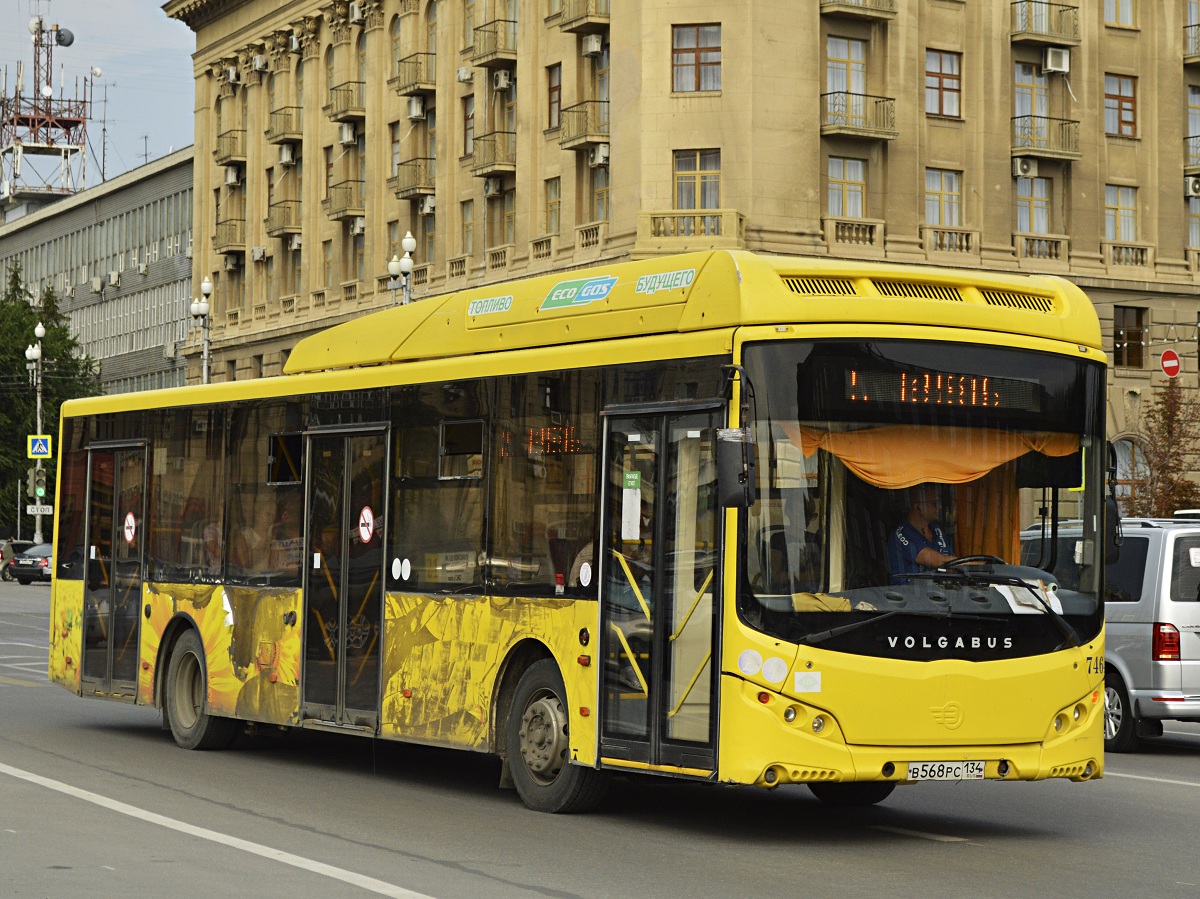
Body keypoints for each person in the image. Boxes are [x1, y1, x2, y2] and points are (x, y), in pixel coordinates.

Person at [888, 484, 956, 584]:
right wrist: (974, 564)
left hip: (937, 594)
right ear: (918, 507)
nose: (940, 506)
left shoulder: (936, 529)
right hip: (907, 596)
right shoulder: (902, 533)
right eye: (934, 503)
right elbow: (939, 561)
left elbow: (951, 566)